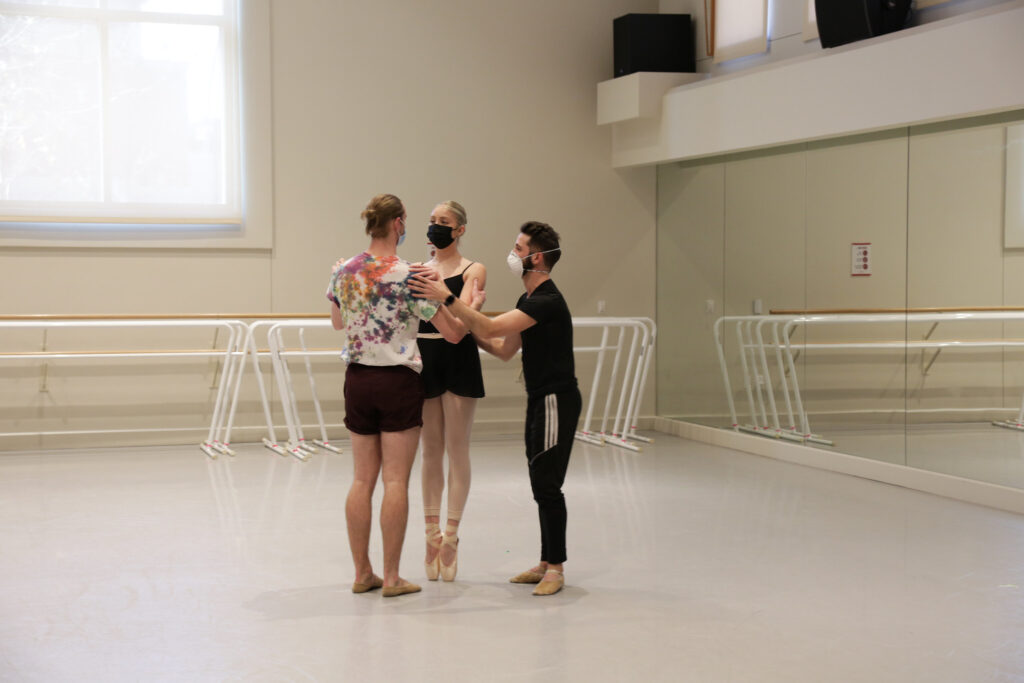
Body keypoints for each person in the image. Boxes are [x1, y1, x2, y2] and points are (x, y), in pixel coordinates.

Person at [410, 221, 580, 596]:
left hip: (556, 398)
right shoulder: (528, 301)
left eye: (518, 249)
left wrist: (448, 299)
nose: (512, 254)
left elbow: (492, 328)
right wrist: (466, 330)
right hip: (539, 398)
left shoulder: (546, 301)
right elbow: (503, 349)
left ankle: (556, 568)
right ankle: (545, 560)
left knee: (548, 484)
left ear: (535, 257)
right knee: (540, 480)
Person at [326, 193, 460, 598]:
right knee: (396, 480)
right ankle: (393, 575)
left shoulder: (344, 270)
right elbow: (452, 333)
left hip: (358, 379)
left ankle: (362, 572)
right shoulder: (412, 275)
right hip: (397, 380)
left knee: (362, 479)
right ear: (399, 224)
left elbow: (337, 323)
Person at [416, 201, 487, 582]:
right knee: (430, 449)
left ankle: (453, 535)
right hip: (425, 353)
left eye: (443, 222)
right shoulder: (420, 270)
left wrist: (449, 299)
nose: (435, 227)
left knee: (457, 447)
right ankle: (431, 534)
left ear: (459, 230)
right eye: (432, 221)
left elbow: (464, 320)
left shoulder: (473, 269)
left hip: (458, 355)